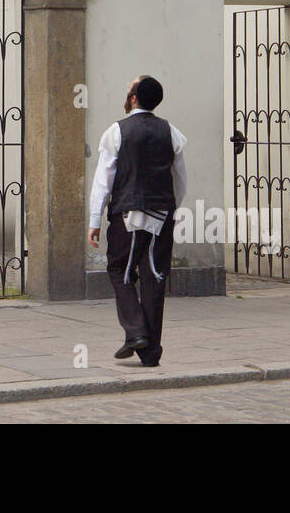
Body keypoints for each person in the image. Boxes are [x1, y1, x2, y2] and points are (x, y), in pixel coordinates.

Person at [87, 75, 187, 366]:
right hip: (162, 215)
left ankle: (136, 332)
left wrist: (95, 218)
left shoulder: (116, 132)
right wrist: (171, 209)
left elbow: (103, 181)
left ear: (133, 98)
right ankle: (149, 349)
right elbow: (179, 180)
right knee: (155, 277)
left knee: (120, 270)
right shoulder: (172, 133)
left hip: (126, 214)